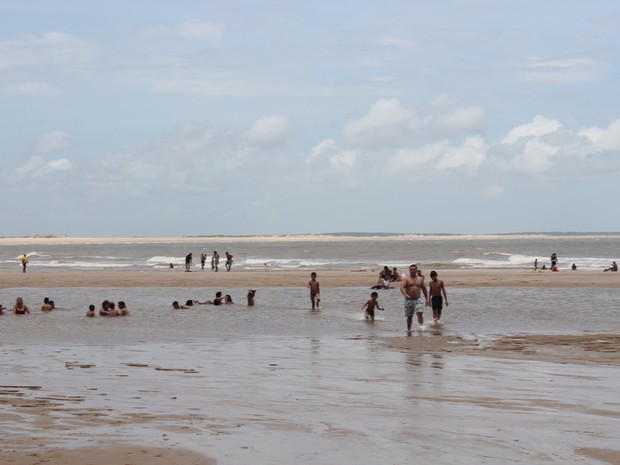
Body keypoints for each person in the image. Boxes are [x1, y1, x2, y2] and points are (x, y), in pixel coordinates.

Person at [400, 264, 429, 331]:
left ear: (416, 270)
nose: (412, 270)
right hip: (409, 300)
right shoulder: (406, 279)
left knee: (420, 312)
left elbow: (424, 289)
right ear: (409, 270)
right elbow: (402, 287)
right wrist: (405, 294)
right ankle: (409, 329)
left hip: (418, 299)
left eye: (413, 269)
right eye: (411, 269)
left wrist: (427, 299)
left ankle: (421, 327)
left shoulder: (420, 279)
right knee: (409, 316)